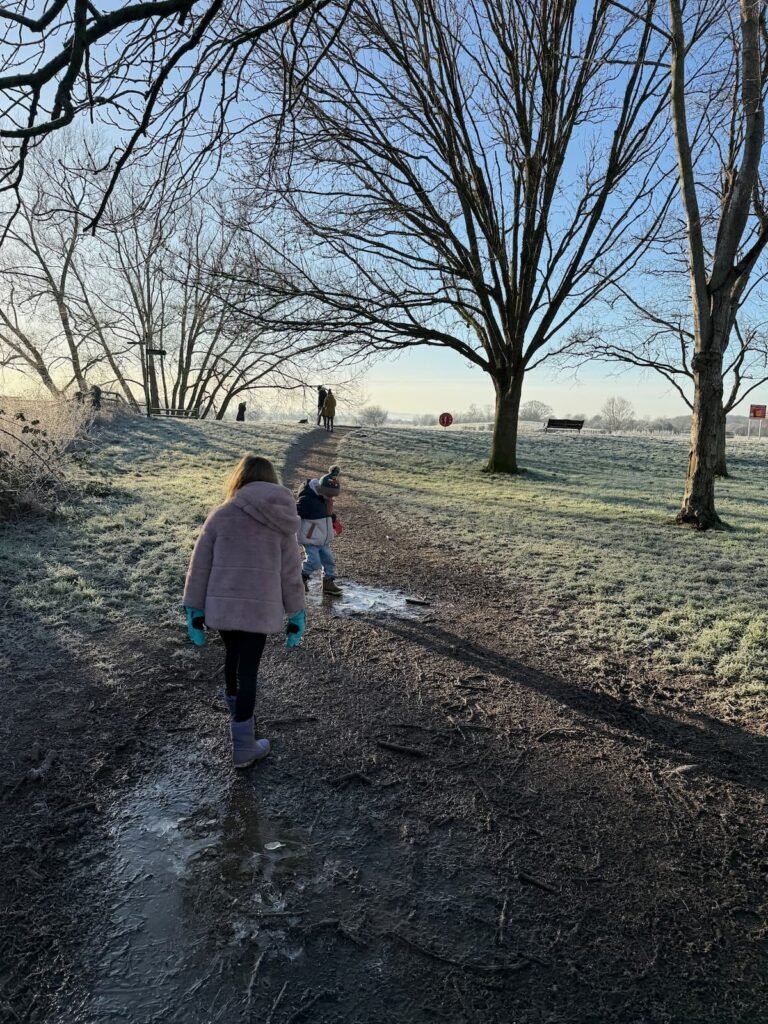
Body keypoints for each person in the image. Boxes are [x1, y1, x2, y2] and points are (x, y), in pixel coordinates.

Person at [183, 454, 306, 768]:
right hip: (260, 609)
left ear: (240, 478)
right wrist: (296, 613)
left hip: (223, 606)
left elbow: (199, 567)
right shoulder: (282, 520)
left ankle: (241, 728)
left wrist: (194, 609)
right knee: (247, 669)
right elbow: (291, 572)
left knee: (232, 660)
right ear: (270, 480)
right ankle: (243, 746)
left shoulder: (221, 514)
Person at [297, 465, 342, 596]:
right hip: (311, 539)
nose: (330, 498)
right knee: (314, 562)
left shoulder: (325, 499)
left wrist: (333, 520)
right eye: (329, 495)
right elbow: (295, 511)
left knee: (329, 561)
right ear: (321, 490)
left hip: (324, 538)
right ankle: (300, 579)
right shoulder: (307, 500)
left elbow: (327, 514)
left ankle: (328, 583)